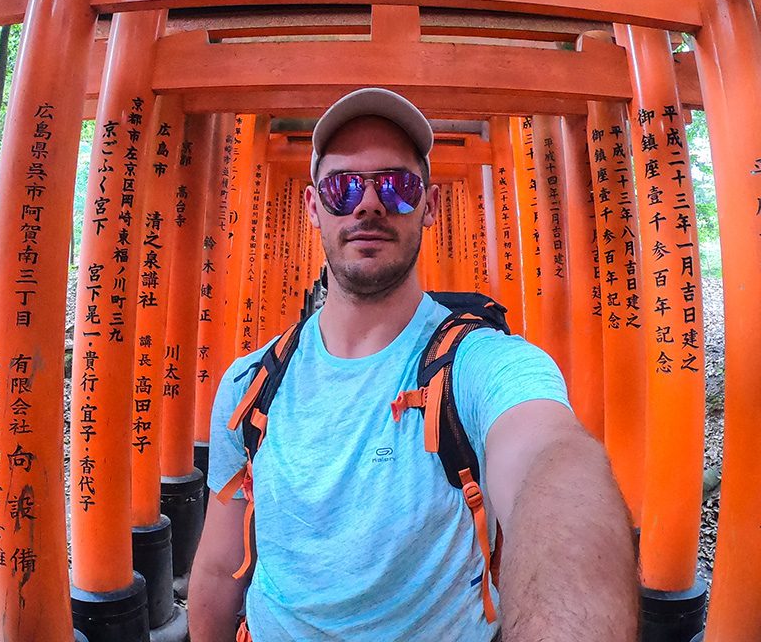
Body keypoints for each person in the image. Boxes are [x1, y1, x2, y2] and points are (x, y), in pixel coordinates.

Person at [189, 88, 637, 642]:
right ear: (312, 208)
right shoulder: (249, 386)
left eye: (397, 186)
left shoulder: (478, 363)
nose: (369, 204)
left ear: (428, 207)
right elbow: (216, 566)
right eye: (343, 186)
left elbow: (551, 458)